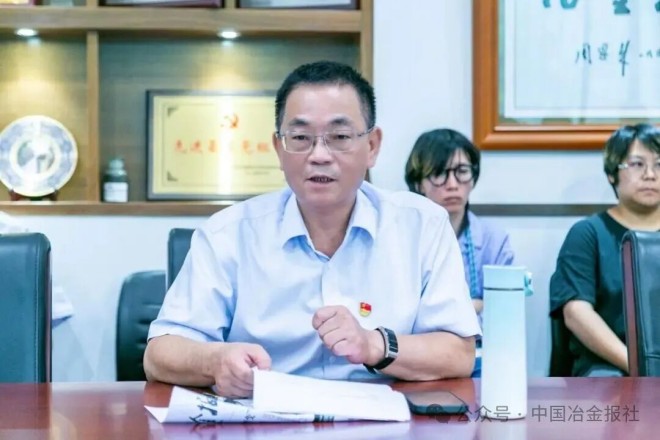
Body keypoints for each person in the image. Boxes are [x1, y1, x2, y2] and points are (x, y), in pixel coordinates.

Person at [144, 61, 480, 397]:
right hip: (262, 416)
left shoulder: (423, 226)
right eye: (301, 138)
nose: (319, 155)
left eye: (340, 137)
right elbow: (159, 355)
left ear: (372, 146)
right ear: (279, 148)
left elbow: (459, 354)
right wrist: (215, 360)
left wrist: (374, 344)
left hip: (389, 416)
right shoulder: (228, 234)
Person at [549, 123, 660, 377]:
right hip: (608, 366)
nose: (650, 175)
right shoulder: (588, 234)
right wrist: (640, 367)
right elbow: (576, 312)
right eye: (637, 164)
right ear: (612, 173)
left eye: (659, 164)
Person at [404, 129, 514, 320]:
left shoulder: (494, 240)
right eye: (439, 173)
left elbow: (505, 309)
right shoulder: (402, 238)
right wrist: (477, 305)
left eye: (462, 172)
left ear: (473, 178)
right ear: (419, 183)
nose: (453, 184)